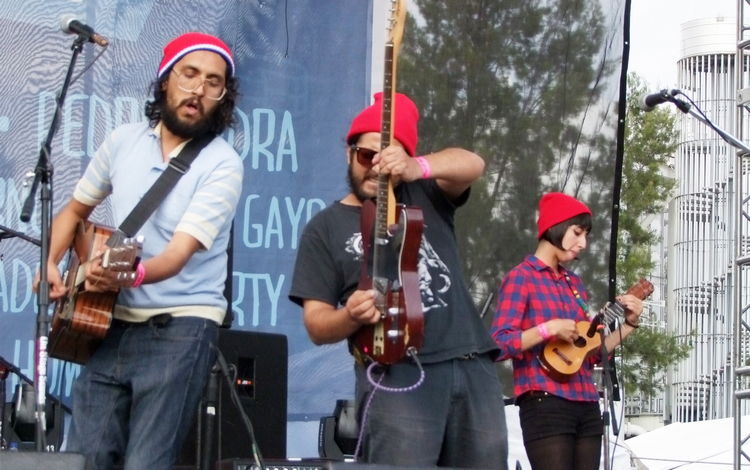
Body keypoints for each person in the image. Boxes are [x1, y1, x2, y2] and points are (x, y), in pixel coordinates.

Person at [34, 32, 243, 469]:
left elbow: (179, 254)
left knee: (147, 462)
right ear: (165, 80)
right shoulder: (123, 140)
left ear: (223, 96)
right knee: (85, 458)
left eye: (213, 82)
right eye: (189, 75)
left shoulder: (223, 163)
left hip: (181, 325)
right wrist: (49, 262)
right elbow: (74, 210)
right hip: (110, 322)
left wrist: (133, 275)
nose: (198, 90)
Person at [289, 92, 508, 468]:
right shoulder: (323, 228)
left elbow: (473, 163)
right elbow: (316, 324)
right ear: (348, 154)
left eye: (387, 159)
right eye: (366, 156)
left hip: (471, 363)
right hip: (396, 373)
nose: (376, 168)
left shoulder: (425, 193)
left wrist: (415, 166)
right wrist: (350, 316)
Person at [490, 192, 644, 470]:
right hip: (544, 401)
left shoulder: (575, 283)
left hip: (586, 401)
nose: (583, 243)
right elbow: (498, 345)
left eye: (586, 236)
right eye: (577, 233)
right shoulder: (521, 277)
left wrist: (629, 324)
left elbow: (590, 353)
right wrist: (547, 329)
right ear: (555, 226)